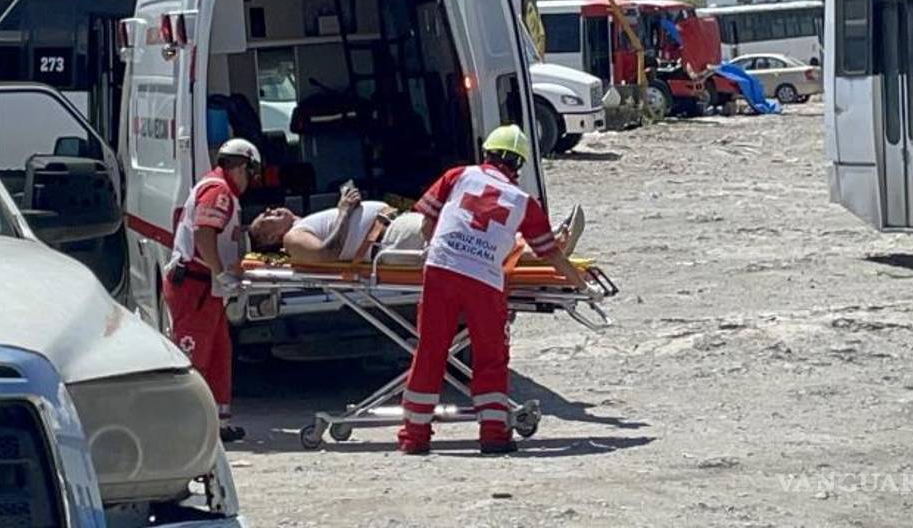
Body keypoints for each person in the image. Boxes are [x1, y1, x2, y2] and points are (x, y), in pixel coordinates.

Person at [398, 124, 596, 455]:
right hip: (484, 281)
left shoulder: (458, 176)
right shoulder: (523, 201)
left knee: (430, 350)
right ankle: (493, 435)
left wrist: (439, 250)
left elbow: (428, 224)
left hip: (441, 270)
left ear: (486, 152)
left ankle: (414, 437)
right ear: (519, 165)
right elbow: (552, 255)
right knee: (490, 357)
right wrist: (581, 284)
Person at [163, 138, 261, 443]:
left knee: (219, 354)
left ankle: (217, 424)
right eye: (251, 174)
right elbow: (204, 233)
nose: (250, 182)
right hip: (195, 287)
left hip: (207, 289)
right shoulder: (219, 192)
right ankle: (185, 427)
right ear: (242, 167)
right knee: (194, 357)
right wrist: (220, 272)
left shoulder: (218, 189)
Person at [248, 192, 584, 265]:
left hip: (392, 230)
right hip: (389, 240)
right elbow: (327, 254)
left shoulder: (300, 224)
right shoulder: (293, 238)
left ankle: (541, 245)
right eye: (266, 218)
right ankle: (544, 250)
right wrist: (345, 211)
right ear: (271, 238)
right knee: (461, 237)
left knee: (464, 232)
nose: (270, 210)